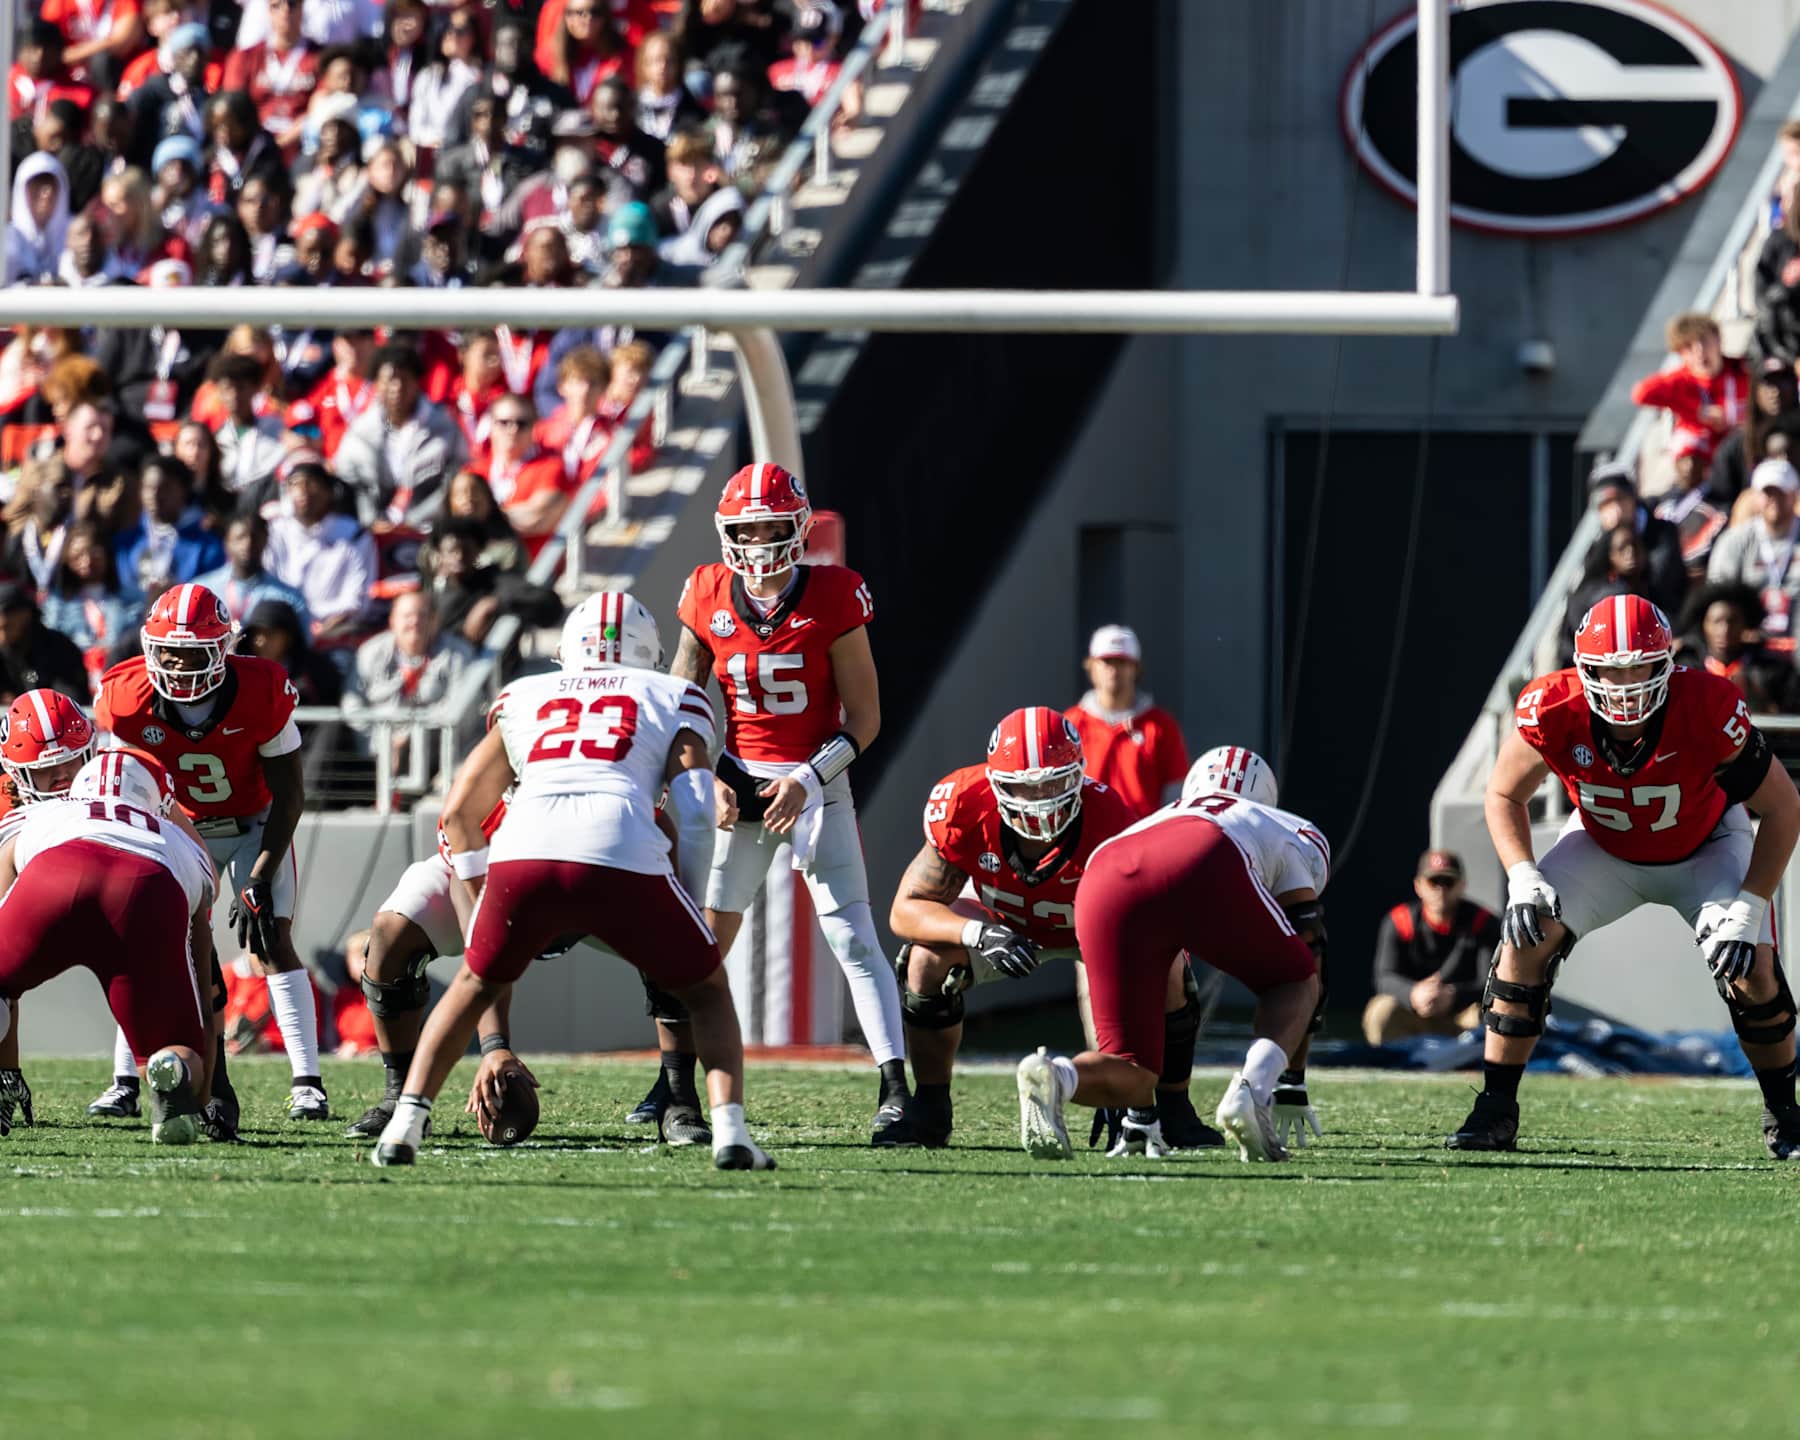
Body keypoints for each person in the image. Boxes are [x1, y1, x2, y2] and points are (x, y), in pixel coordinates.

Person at [373, 591, 777, 1172]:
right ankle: (730, 1133)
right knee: (707, 986)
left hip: (524, 850)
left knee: (470, 987)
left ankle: (404, 1127)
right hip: (620, 849)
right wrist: (686, 901)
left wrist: (480, 895)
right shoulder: (671, 693)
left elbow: (460, 811)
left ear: (569, 651)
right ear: (650, 655)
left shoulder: (526, 693)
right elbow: (692, 805)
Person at [1448, 594, 1800, 1157]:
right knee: (1522, 944)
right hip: (1602, 846)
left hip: (1708, 845)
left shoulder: (1707, 704)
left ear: (1668, 663)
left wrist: (1750, 906)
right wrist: (1521, 874)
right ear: (1583, 670)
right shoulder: (1553, 705)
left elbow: (1783, 808)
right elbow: (1501, 792)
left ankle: (1786, 1116)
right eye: (1610, 669)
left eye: (1639, 666)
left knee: (1752, 972)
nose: (1625, 683)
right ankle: (1494, 1109)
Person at [642, 462, 908, 1144]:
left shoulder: (836, 594)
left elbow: (866, 718)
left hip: (815, 783)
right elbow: (684, 704)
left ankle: (894, 1085)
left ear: (796, 528)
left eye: (771, 526)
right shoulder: (705, 592)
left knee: (851, 934)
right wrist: (710, 776)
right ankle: (673, 1082)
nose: (759, 541)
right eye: (747, 528)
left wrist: (808, 780)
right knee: (702, 942)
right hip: (739, 781)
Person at [888, 706, 1220, 1151]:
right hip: (1001, 922)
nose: (1040, 799)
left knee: (1169, 967)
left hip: (1091, 931)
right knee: (924, 960)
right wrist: (978, 934)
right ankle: (930, 1106)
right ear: (994, 782)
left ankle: (1172, 1108)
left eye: (1053, 783)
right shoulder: (964, 803)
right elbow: (906, 910)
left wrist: (1123, 1065)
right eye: (1024, 786)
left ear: (1079, 774)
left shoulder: (1109, 817)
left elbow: (1143, 927)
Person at [1017, 745, 1329, 1162]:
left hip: (1104, 872)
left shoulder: (1160, 814)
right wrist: (1291, 1078)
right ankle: (1251, 1093)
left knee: (1133, 1070)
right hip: (1203, 853)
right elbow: (1308, 944)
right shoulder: (1287, 826)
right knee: (1295, 980)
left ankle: (1058, 1075)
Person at [92, 582, 322, 1129]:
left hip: (254, 823)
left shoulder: (261, 689)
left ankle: (308, 1083)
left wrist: (261, 875)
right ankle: (125, 1080)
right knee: (147, 944)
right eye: (167, 649)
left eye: (192, 650)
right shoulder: (126, 699)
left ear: (223, 649)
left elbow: (290, 793)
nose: (176, 662)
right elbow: (125, 785)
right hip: (180, 824)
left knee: (269, 938)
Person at [0, 750, 218, 1145]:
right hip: (147, 888)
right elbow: (205, 980)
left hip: (59, 871)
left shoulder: (41, 813)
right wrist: (198, 1087)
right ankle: (173, 1069)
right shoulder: (179, 841)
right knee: (177, 1048)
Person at [0, 687, 99, 1132]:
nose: (62, 775)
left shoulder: (112, 775)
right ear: (17, 775)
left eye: (69, 760)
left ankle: (190, 1085)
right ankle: (5, 1073)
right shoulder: (8, 804)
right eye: (46, 768)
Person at [1363, 850, 1497, 1044]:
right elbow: (1384, 977)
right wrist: (1413, 994)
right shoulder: (1400, 921)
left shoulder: (1482, 922)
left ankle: (1478, 1067)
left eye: (1448, 882)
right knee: (1380, 1010)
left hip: (1461, 1016)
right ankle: (1394, 1064)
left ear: (1462, 885)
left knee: (1492, 1012)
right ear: (1418, 886)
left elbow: (1490, 983)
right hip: (1414, 1013)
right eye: (1433, 882)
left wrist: (1453, 995)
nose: (1440, 890)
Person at [1062, 625, 1190, 820]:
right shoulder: (1070, 725)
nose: (1114, 670)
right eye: (1106, 661)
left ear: (1135, 668)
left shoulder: (1161, 727)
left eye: (1122, 662)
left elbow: (1175, 799)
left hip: (1142, 839)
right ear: (1091, 667)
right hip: (1086, 842)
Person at [333, 343, 465, 527]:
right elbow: (348, 482)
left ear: (418, 382)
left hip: (430, 529)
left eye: (405, 379)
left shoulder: (444, 427)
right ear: (377, 384)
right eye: (389, 380)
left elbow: (455, 481)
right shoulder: (360, 431)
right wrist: (371, 522)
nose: (397, 387)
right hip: (369, 532)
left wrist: (412, 522)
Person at [344, 591, 475, 772]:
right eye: (406, 616)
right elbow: (352, 706)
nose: (414, 622)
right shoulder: (370, 652)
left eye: (422, 615)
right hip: (376, 753)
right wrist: (382, 743)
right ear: (392, 621)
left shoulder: (458, 654)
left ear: (435, 622)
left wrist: (412, 735)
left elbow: (461, 706)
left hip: (437, 756)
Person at [262, 459, 377, 640]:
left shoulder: (355, 535)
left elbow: (357, 600)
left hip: (336, 632)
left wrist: (320, 632)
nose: (303, 491)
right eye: (295, 484)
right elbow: (265, 586)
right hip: (282, 627)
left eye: (311, 483)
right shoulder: (274, 531)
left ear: (330, 492)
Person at [1630, 313, 1751, 466]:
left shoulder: (1743, 369)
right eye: (1689, 347)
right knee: (1688, 463)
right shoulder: (1681, 380)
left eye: (1704, 341)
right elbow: (1640, 393)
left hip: (1741, 446)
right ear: (1680, 353)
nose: (1699, 351)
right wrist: (1696, 410)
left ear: (1719, 340)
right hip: (1704, 455)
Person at [425, 520, 562, 648]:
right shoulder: (432, 596)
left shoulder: (495, 581)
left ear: (478, 550)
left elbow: (549, 603)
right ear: (440, 554)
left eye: (466, 550)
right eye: (452, 551)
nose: (459, 556)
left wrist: (492, 604)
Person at [1707, 458, 1800, 642]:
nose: (1774, 499)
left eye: (1781, 492)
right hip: (1749, 640)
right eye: (1767, 493)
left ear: (1794, 495)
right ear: (1756, 497)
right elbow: (1718, 591)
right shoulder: (1735, 540)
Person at [1673, 582, 1800, 715]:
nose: (1724, 630)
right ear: (1703, 624)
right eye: (1717, 621)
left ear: (1746, 624)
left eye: (1732, 621)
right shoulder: (1685, 669)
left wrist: (1763, 705)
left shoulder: (1772, 671)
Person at [113, 456, 225, 601]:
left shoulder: (207, 546)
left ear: (183, 491)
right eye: (149, 487)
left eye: (165, 487)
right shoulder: (126, 543)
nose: (155, 495)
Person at [1586, 460, 1688, 620]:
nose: (1616, 511)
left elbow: (1660, 585)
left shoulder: (1662, 533)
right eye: (1606, 504)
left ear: (1634, 499)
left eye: (1621, 499)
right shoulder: (1598, 544)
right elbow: (1587, 592)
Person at [194, 512, 311, 628]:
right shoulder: (200, 591)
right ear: (227, 542)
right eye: (240, 538)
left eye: (254, 537)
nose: (248, 543)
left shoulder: (289, 599)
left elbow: (304, 643)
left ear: (265, 540)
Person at [1708, 358, 1800, 505]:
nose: (1775, 391)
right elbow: (1719, 501)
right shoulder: (1735, 446)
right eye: (1767, 384)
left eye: (1782, 382)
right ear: (1755, 392)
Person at [0, 584, 89, 703]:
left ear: (26, 614)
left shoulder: (59, 647)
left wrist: (23, 706)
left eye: (5, 627)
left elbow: (69, 700)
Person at [1656, 432, 1728, 578]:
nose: (1690, 466)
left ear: (1705, 462)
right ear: (1675, 462)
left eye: (1696, 459)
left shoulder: (1721, 504)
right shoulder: (1657, 503)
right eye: (1684, 459)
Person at [6, 153, 73, 287]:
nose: (46, 193)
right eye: (37, 184)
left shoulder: (77, 231)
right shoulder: (8, 237)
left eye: (51, 184)